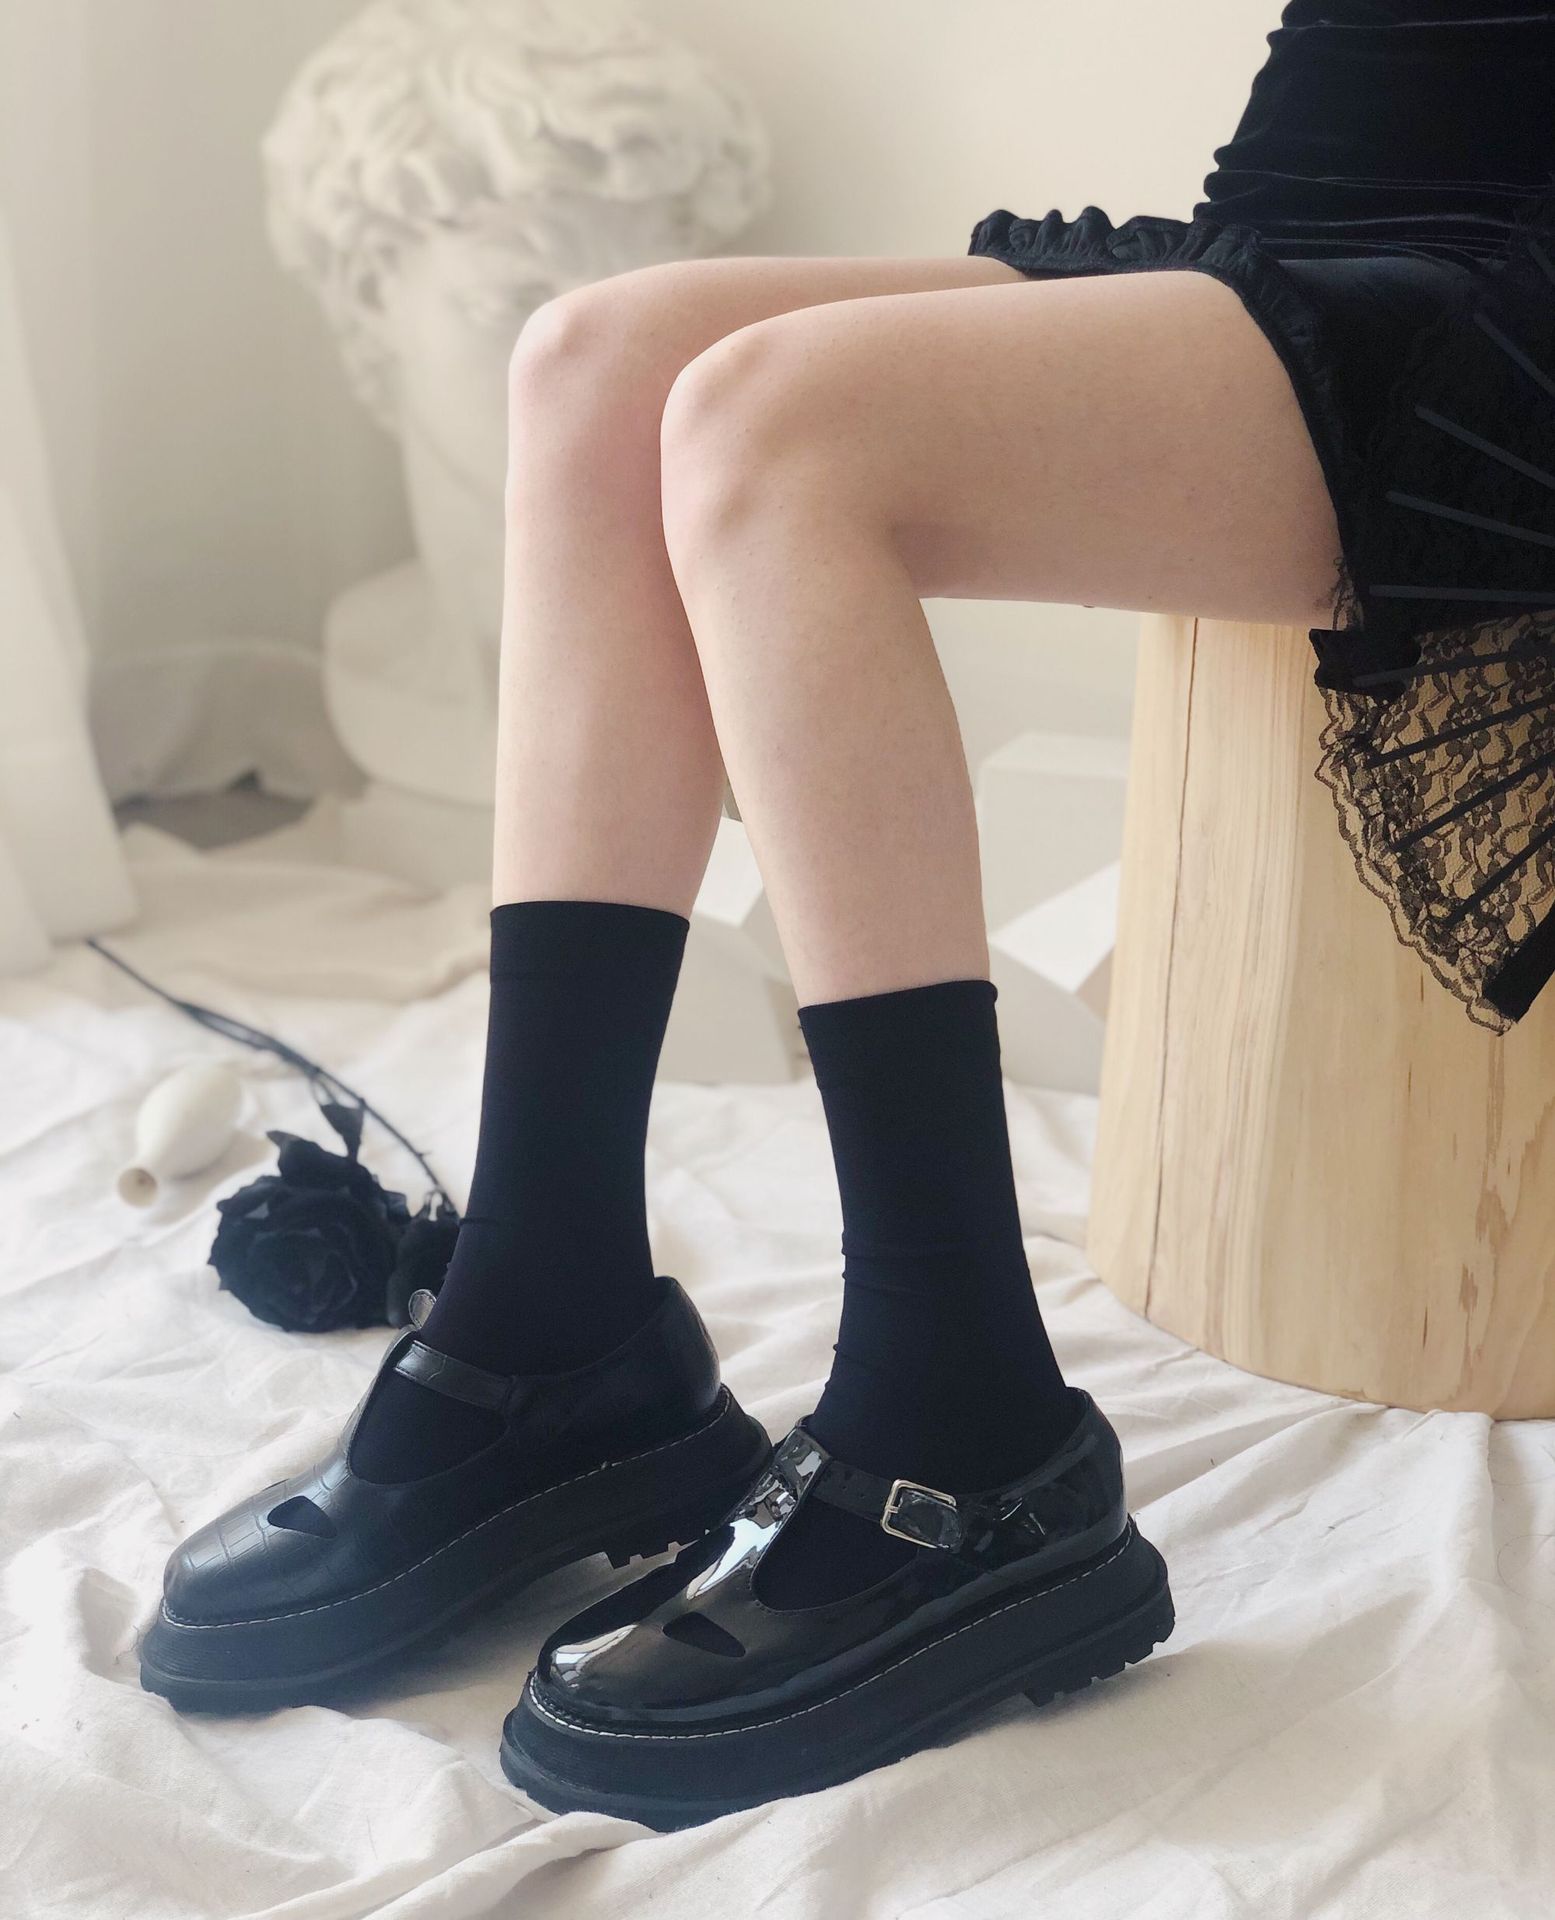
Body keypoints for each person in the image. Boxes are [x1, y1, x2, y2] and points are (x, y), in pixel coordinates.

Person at [139, 2, 1555, 1829]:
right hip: (1312, 224)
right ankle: (548, 1321)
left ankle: (966, 1418)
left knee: (772, 428)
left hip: (1505, 301)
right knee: (596, 362)